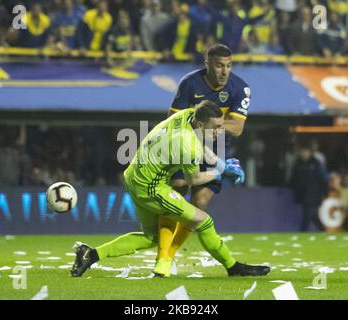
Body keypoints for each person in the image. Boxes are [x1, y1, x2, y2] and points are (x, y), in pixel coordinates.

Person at [70, 101, 270, 278]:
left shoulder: (185, 116)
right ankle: (232, 267)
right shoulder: (186, 143)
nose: (219, 130)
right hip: (151, 188)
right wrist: (220, 174)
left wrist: (222, 165)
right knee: (204, 221)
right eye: (216, 127)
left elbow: (201, 150)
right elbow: (194, 179)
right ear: (201, 124)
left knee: (151, 238)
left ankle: (90, 254)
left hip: (133, 176)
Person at [150, 43, 251, 277]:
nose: (224, 72)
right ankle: (162, 258)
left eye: (228, 66)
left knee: (200, 202)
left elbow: (237, 128)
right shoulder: (189, 83)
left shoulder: (240, 88)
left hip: (217, 149)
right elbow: (172, 119)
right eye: (219, 66)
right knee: (176, 189)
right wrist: (208, 123)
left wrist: (206, 123)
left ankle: (169, 255)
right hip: (184, 147)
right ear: (207, 65)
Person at [289, 143, 328, 231]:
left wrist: (325, 192)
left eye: (306, 152)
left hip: (314, 193)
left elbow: (322, 179)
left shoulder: (316, 163)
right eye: (302, 152)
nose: (304, 154)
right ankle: (321, 229)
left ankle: (304, 231)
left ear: (310, 152)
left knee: (308, 214)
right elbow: (294, 178)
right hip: (303, 194)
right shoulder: (298, 164)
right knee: (312, 215)